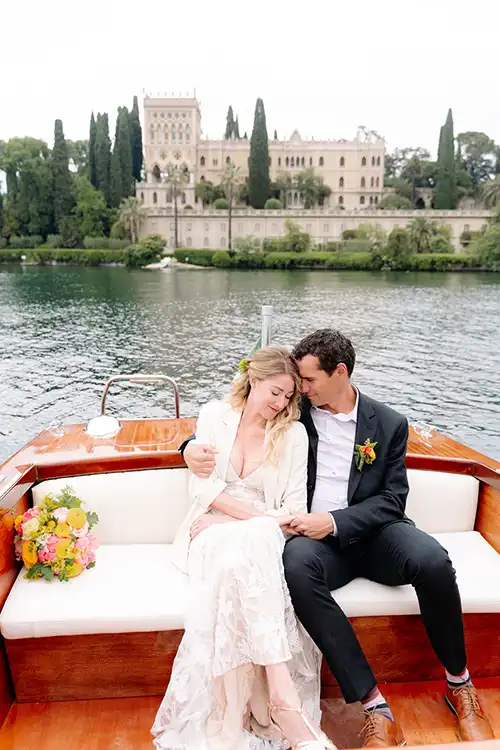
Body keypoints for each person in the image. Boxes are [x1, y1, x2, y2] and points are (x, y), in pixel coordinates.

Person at [184, 329, 494, 748]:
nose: (300, 390)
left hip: (376, 531)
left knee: (433, 561)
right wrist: (187, 447)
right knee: (295, 568)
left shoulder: (387, 423)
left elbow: (392, 500)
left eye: (309, 381)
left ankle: (461, 685)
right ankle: (375, 707)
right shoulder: (295, 416)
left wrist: (332, 520)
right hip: (314, 543)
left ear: (340, 373)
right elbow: (239, 421)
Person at [152, 347, 335, 750]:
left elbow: (294, 512)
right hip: (207, 533)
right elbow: (202, 486)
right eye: (275, 392)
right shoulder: (214, 416)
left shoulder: (293, 434)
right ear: (253, 380)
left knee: (246, 550)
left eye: (289, 398)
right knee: (241, 554)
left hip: (257, 532)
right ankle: (283, 703)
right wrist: (236, 516)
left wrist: (230, 517)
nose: (280, 404)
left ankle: (257, 706)